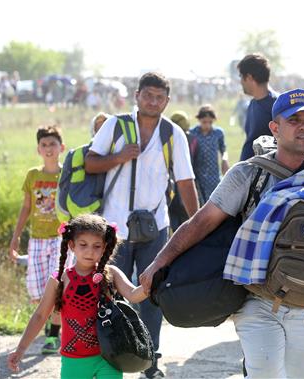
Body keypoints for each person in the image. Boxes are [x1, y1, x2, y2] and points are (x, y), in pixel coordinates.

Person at [139, 88, 304, 378]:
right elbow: (199, 224)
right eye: (294, 120)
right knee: (264, 372)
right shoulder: (249, 174)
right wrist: (158, 264)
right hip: (258, 301)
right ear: (275, 128)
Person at [85, 72, 199, 378]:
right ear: (137, 95)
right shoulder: (115, 125)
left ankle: (150, 363)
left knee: (152, 297)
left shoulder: (173, 133)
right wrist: (119, 157)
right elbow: (90, 163)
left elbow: (186, 182)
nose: (152, 101)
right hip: (113, 230)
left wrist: (199, 226)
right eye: (147, 95)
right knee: (107, 297)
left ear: (167, 100)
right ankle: (108, 361)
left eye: (159, 97)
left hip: (155, 228)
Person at [7, 214, 148, 379]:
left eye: (97, 246)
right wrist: (21, 349)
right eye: (83, 245)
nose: (90, 251)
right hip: (74, 361)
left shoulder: (111, 274)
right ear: (72, 245)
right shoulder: (59, 279)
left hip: (110, 358)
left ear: (105, 247)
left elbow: (133, 295)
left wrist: (151, 283)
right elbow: (40, 315)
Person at [9, 125, 68, 354]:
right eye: (44, 145)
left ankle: (53, 337)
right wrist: (16, 237)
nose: (48, 148)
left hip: (60, 239)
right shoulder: (33, 175)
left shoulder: (66, 174)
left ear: (61, 147)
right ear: (38, 150)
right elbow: (26, 207)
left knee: (56, 288)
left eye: (52, 144)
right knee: (37, 291)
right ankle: (48, 325)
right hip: (36, 239)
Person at [237, 53, 278, 161]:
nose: (240, 81)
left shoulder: (277, 105)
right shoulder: (252, 104)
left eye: (241, 76)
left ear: (249, 77)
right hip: (249, 172)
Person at [188, 104, 229, 205]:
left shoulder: (218, 133)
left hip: (213, 176)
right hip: (198, 176)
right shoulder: (192, 134)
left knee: (214, 203)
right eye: (204, 122)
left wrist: (224, 159)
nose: (207, 125)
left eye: (210, 122)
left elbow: (223, 149)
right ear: (199, 120)